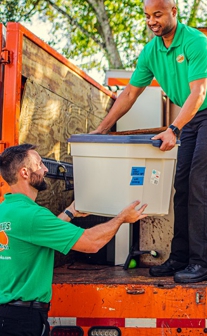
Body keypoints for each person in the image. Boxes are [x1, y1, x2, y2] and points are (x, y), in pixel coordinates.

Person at [91, 0, 207, 284]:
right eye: (147, 16)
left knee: (199, 182)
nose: (152, 21)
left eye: (157, 14)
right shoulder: (151, 52)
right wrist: (102, 128)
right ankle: (181, 258)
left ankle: (202, 264)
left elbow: (199, 93)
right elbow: (130, 92)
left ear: (173, 11)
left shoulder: (196, 42)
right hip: (191, 117)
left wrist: (174, 128)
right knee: (181, 185)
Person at [0, 144, 148, 336]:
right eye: (40, 164)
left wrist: (71, 212)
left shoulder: (7, 210)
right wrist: (121, 219)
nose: (45, 169)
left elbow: (39, 233)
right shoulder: (32, 215)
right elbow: (91, 243)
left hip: (7, 314)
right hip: (22, 320)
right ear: (25, 173)